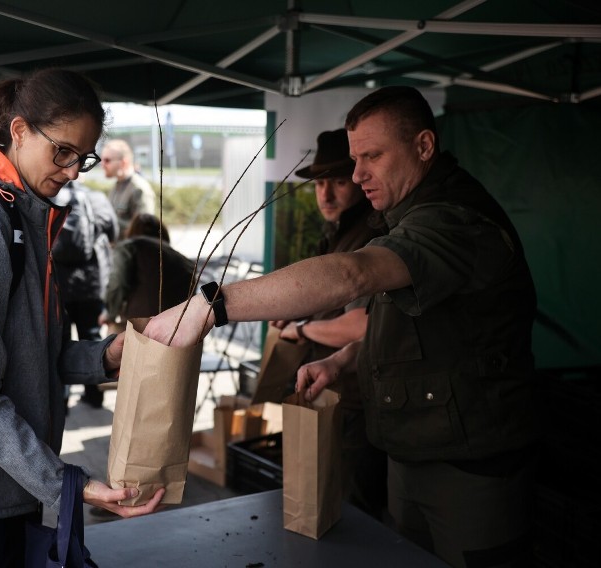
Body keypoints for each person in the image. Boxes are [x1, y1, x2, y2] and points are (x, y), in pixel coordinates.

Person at [145, 86, 538, 568]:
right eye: (355, 159)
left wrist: (213, 305)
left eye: (372, 156)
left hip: (469, 465)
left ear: (424, 146)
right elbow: (413, 328)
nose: (357, 175)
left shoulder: (455, 220)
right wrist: (345, 358)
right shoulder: (403, 215)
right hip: (412, 448)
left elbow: (354, 274)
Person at [0, 69, 164, 565]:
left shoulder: (18, 210)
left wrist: (106, 355)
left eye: (82, 158)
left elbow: (30, 353)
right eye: (62, 151)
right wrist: (64, 484)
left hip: (4, 475)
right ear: (18, 131)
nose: (72, 172)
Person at [270, 128, 387, 520]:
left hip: (358, 402)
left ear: (358, 178)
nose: (326, 194)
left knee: (354, 514)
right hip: (333, 391)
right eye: (320, 183)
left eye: (338, 181)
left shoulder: (370, 236)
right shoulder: (338, 233)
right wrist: (301, 313)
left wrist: (301, 330)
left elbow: (359, 326)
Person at [52, 179, 118, 409]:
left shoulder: (51, 197)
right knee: (91, 336)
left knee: (60, 341)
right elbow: (113, 231)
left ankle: (61, 398)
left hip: (58, 282)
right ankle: (94, 395)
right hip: (91, 282)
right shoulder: (96, 198)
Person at [100, 213, 195, 330]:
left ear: (132, 231)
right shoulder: (182, 259)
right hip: (181, 330)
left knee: (111, 343)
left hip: (143, 331)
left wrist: (110, 313)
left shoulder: (129, 248)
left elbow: (118, 283)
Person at [100, 139, 156, 239]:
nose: (102, 164)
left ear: (123, 163)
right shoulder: (117, 185)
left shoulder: (139, 189)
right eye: (102, 160)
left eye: (107, 160)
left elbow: (143, 232)